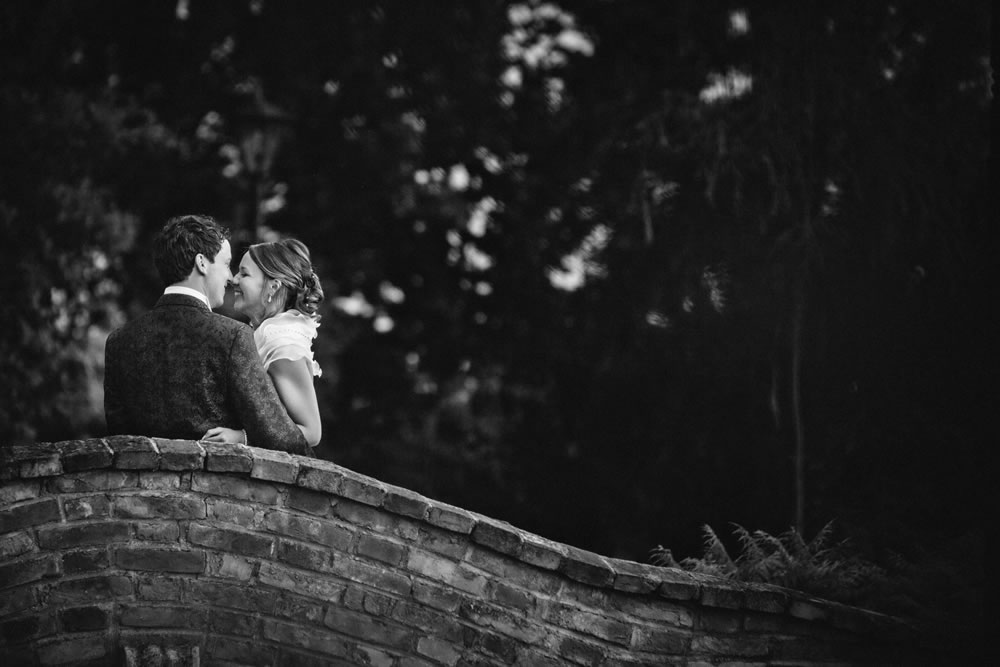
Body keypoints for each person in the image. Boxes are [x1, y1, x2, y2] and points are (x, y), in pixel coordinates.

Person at [104, 214, 310, 455]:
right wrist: (243, 437)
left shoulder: (119, 341)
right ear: (202, 263)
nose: (230, 277)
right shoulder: (232, 336)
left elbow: (120, 439)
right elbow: (283, 438)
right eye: (225, 264)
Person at [202, 238, 324, 448]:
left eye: (244, 273)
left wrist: (242, 437)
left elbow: (311, 432)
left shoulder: (283, 343)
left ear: (273, 287)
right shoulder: (264, 332)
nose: (234, 279)